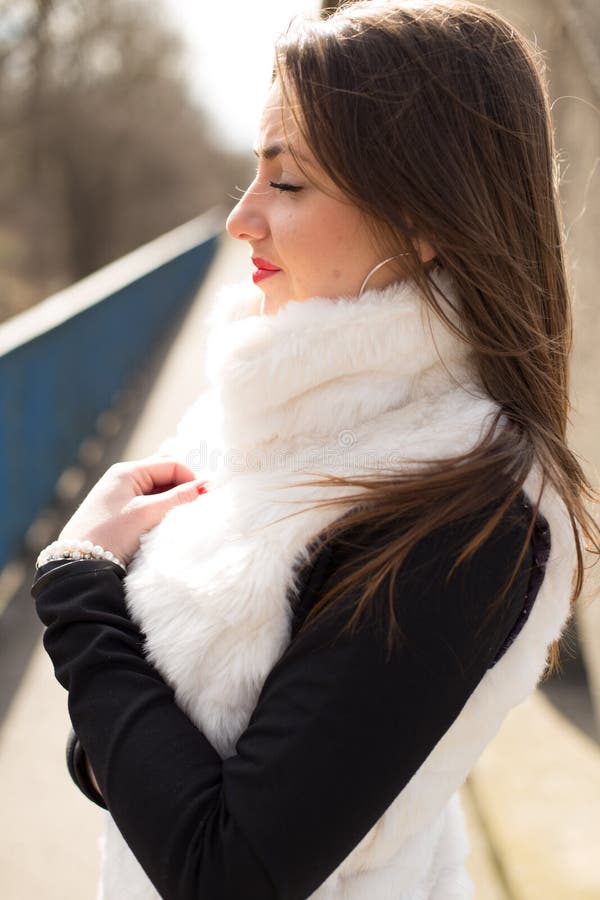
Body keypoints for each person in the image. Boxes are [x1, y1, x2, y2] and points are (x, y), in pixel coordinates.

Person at [31, 1, 598, 898]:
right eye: (254, 175)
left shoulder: (472, 515)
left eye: (288, 184)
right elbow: (130, 759)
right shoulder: (267, 409)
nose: (241, 220)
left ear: (426, 220)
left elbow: (228, 869)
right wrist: (128, 741)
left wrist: (75, 583)